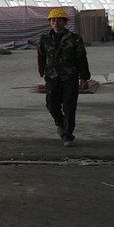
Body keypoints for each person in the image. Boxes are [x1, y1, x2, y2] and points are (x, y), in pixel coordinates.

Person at [37, 8, 90, 147]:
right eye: (53, 20)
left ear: (65, 22)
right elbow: (41, 56)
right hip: (52, 77)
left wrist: (84, 78)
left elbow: (81, 58)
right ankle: (60, 123)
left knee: (69, 107)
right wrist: (41, 71)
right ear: (50, 22)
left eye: (59, 20)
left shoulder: (74, 39)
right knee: (51, 105)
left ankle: (67, 135)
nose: (56, 23)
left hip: (70, 77)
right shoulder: (44, 38)